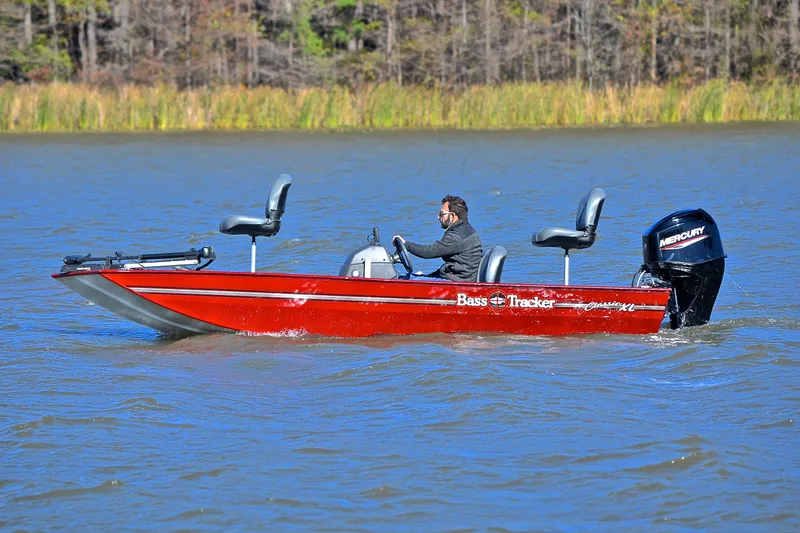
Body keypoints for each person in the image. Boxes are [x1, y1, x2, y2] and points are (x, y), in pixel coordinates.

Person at [394, 195, 483, 282]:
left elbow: (428, 252)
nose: (438, 217)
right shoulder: (465, 229)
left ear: (452, 216)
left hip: (458, 283)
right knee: (407, 277)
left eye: (441, 214)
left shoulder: (456, 236)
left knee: (406, 280)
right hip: (456, 277)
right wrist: (427, 276)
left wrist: (406, 244)